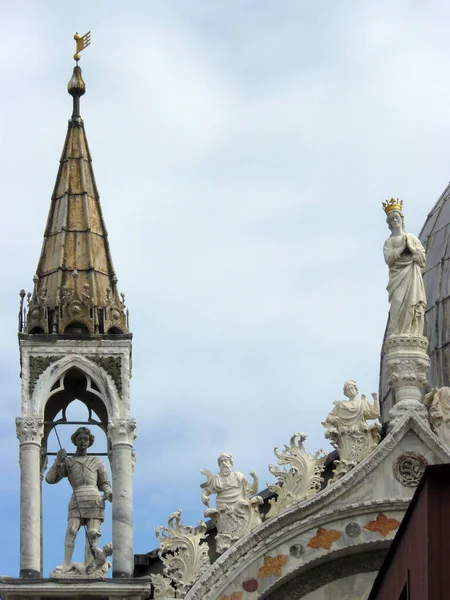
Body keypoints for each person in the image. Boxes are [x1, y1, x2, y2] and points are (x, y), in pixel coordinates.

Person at [46, 427, 112, 573]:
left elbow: (105, 483)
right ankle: (66, 563)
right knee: (72, 530)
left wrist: (108, 492)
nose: (83, 441)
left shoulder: (97, 462)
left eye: (86, 439)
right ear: (75, 440)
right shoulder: (68, 462)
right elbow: (50, 479)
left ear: (90, 442)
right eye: (80, 439)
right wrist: (57, 461)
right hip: (77, 498)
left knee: (92, 534)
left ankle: (90, 566)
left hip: (95, 500)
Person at [383, 202, 426, 337]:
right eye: (391, 219)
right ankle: (397, 332)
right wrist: (402, 249)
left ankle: (412, 331)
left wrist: (411, 248)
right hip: (397, 277)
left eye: (397, 217)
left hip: (412, 275)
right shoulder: (388, 242)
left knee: (412, 303)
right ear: (389, 224)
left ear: (402, 219)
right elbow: (388, 259)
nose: (395, 220)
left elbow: (422, 259)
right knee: (397, 302)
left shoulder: (412, 239)